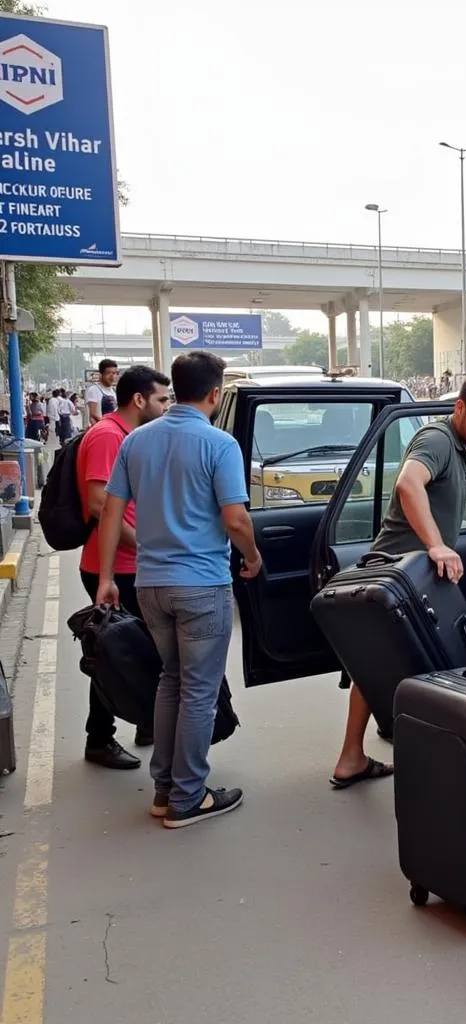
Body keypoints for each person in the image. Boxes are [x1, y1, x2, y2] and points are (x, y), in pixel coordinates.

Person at [97, 351, 262, 829]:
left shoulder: (137, 441)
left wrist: (108, 578)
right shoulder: (220, 444)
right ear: (215, 393)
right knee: (199, 693)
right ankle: (189, 797)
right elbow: (235, 518)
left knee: (171, 681)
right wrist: (252, 558)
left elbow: (111, 511)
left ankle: (165, 788)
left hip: (149, 583)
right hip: (201, 585)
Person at [329, 372, 466, 789]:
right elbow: (409, 484)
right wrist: (438, 546)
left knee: (378, 666)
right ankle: (427, 763)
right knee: (409, 667)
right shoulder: (438, 439)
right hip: (399, 573)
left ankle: (354, 755)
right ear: (459, 408)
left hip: (413, 575)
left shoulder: (462, 446)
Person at [79, 366, 171, 769]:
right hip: (114, 566)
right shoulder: (107, 436)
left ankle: (148, 722)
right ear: (139, 400)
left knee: (143, 650)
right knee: (116, 654)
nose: (168, 407)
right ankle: (99, 738)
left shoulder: (130, 436)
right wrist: (146, 546)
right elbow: (101, 506)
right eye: (162, 400)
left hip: (130, 564)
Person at [86, 360, 119, 426]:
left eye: (114, 373)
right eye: (108, 373)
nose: (112, 376)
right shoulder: (94, 390)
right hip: (101, 429)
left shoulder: (113, 392)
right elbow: (93, 416)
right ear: (101, 375)